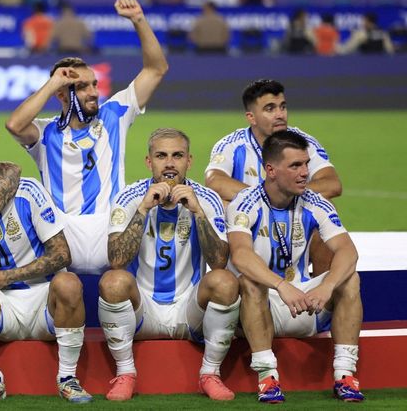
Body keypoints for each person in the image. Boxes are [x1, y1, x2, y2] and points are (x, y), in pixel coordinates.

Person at [5, 0, 168, 274]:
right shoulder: (46, 133)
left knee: (118, 289)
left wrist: (139, 20)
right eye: (82, 87)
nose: (93, 91)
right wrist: (54, 82)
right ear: (62, 93)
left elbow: (156, 69)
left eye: (94, 84)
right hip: (63, 236)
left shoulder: (114, 115)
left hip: (111, 230)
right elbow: (14, 125)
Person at [100, 128, 239, 401]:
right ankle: (126, 373)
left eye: (177, 155)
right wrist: (143, 210)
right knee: (113, 281)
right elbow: (116, 259)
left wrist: (198, 213)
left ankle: (210, 374)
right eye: (161, 156)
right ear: (149, 162)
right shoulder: (129, 198)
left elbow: (219, 261)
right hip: (143, 310)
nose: (170, 163)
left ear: (189, 161)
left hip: (190, 311)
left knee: (225, 282)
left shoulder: (206, 200)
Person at [226, 130, 364, 403]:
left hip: (306, 300)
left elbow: (348, 250)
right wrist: (281, 285)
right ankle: (267, 377)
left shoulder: (315, 203)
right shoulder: (245, 202)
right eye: (295, 166)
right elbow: (241, 255)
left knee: (349, 278)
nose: (305, 173)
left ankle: (345, 375)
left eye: (306, 164)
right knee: (250, 282)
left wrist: (326, 285)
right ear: (271, 170)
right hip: (265, 306)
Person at [0, 146, 92, 404]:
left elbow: (62, 255)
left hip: (44, 304)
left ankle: (67, 379)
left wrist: (7, 276)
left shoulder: (28, 192)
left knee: (69, 283)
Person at [205, 79, 341, 276]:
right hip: (250, 223)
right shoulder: (232, 145)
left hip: (292, 219)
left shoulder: (302, 142)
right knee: (225, 205)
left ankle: (320, 290)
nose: (280, 115)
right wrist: (264, 200)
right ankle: (237, 279)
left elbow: (332, 183)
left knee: (326, 207)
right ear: (251, 117)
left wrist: (284, 197)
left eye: (282, 107)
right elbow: (214, 181)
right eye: (270, 109)